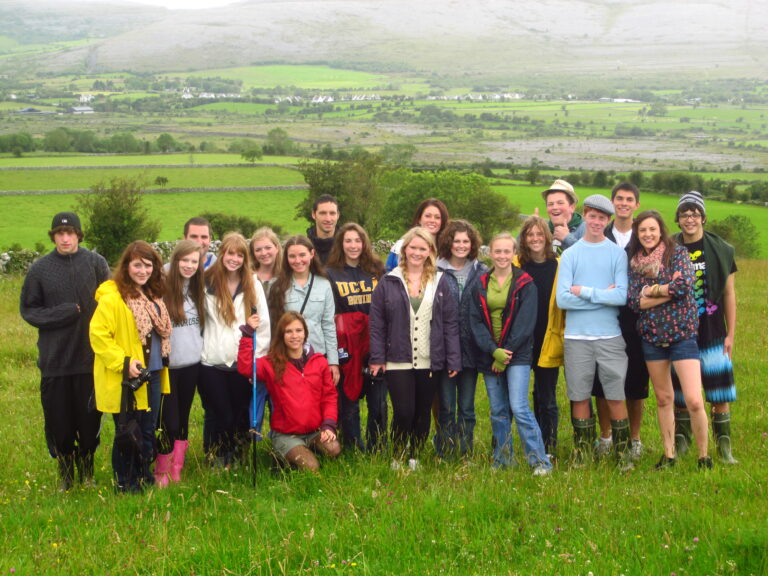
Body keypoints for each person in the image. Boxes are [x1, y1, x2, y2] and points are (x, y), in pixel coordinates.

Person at [20, 211, 110, 491]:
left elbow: (111, 301)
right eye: (60, 233)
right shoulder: (40, 269)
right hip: (55, 361)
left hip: (90, 359)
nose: (65, 238)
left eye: (70, 233)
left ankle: (88, 473)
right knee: (59, 423)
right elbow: (29, 310)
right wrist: (63, 313)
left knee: (89, 421)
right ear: (53, 236)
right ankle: (66, 478)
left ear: (79, 235)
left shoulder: (95, 263)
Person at [369, 227, 461, 469]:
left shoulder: (440, 281)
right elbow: (376, 324)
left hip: (430, 358)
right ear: (404, 249)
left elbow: (450, 323)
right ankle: (397, 455)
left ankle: (415, 456)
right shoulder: (389, 281)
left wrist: (453, 358)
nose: (417, 253)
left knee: (422, 412)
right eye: (413, 247)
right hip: (397, 358)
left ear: (430, 251)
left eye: (423, 248)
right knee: (404, 411)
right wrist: (377, 357)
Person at [626, 210, 712, 469]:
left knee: (694, 399)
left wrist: (652, 290)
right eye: (642, 231)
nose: (648, 234)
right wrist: (667, 291)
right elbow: (633, 301)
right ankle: (669, 454)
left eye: (652, 229)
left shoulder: (677, 254)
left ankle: (703, 456)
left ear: (660, 230)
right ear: (637, 234)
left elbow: (684, 286)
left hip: (682, 335)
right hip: (652, 338)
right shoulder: (634, 262)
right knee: (664, 399)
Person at [556, 194, 633, 470]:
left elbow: (622, 297)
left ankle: (623, 456)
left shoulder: (617, 254)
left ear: (608, 220)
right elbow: (563, 300)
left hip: (610, 338)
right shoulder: (570, 254)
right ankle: (583, 453)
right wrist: (603, 295)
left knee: (614, 394)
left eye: (602, 217)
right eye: (592, 216)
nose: (597, 221)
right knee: (578, 395)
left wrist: (586, 292)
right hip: (577, 338)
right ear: (585, 216)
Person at [90, 241, 172, 493]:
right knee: (127, 432)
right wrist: (123, 363)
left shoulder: (153, 294)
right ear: (126, 266)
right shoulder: (113, 298)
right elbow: (98, 335)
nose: (143, 270)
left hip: (154, 373)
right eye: (137, 265)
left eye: (148, 265)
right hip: (127, 378)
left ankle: (142, 476)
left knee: (147, 430)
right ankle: (125, 484)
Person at [468, 232, 552, 475]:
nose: (502, 255)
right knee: (498, 411)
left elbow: (525, 324)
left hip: (518, 354)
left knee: (519, 406)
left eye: (507, 251)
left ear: (514, 254)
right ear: (490, 253)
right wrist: (493, 351)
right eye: (498, 251)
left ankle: (539, 461)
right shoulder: (482, 283)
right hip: (490, 354)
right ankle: (503, 458)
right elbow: (475, 322)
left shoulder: (525, 283)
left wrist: (506, 356)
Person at [672, 191, 738, 464]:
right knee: (680, 390)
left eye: (695, 214)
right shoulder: (670, 248)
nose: (690, 219)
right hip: (679, 332)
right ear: (677, 219)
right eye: (685, 214)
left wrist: (731, 333)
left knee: (718, 388)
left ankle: (724, 446)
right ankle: (682, 439)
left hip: (713, 329)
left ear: (703, 217)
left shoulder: (721, 249)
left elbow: (729, 294)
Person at [199, 233, 270, 469]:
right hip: (212, 362)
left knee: (240, 413)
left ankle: (238, 456)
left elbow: (264, 325)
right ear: (222, 254)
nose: (234, 259)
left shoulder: (253, 283)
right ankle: (217, 456)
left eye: (240, 255)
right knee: (220, 414)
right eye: (230, 253)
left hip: (242, 362)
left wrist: (255, 361)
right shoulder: (206, 282)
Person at [237, 311, 340, 472]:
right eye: (289, 331)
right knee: (312, 467)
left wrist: (328, 425)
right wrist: (248, 334)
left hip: (314, 431)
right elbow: (246, 368)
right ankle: (281, 455)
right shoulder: (272, 363)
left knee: (334, 449)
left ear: (305, 333)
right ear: (282, 335)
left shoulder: (319, 361)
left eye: (298, 330)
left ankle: (304, 450)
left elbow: (329, 397)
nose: (294, 336)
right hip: (286, 434)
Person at [593, 182, 650, 461]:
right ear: (612, 203)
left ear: (636, 204)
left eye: (629, 199)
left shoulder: (646, 237)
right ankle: (606, 437)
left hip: (638, 321)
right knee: (602, 381)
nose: (624, 203)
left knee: (636, 383)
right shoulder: (600, 234)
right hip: (604, 318)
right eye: (619, 198)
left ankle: (635, 439)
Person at [325, 223, 386, 452]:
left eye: (357, 240)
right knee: (348, 399)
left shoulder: (377, 271)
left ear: (364, 243)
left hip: (375, 343)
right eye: (348, 241)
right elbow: (329, 314)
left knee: (378, 400)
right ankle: (353, 446)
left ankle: (377, 445)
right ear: (341, 244)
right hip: (346, 344)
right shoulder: (330, 273)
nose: (353, 245)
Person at [434, 219, 488, 459]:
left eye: (466, 241)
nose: (461, 245)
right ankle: (445, 451)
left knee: (466, 407)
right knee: (446, 406)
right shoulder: (436, 270)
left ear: (472, 243)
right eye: (456, 241)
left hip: (471, 349)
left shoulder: (482, 271)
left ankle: (465, 452)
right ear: (448, 242)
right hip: (445, 350)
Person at [156, 240, 206, 486]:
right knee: (169, 420)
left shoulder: (199, 288)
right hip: (169, 366)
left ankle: (177, 467)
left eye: (194, 262)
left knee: (184, 418)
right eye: (184, 261)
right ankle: (161, 469)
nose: (189, 266)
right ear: (175, 261)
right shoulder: (162, 287)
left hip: (192, 364)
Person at [514, 216, 564, 456]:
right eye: (530, 234)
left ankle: (548, 445)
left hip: (548, 337)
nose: (535, 239)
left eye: (539, 234)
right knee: (516, 399)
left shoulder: (559, 265)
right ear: (524, 238)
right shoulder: (516, 264)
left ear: (547, 237)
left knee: (546, 396)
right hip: (521, 340)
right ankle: (524, 443)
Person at [269, 235, 340, 386]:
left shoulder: (324, 284)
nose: (298, 260)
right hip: (288, 357)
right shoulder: (276, 286)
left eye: (302, 255)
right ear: (286, 258)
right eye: (292, 256)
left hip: (318, 355)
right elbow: (274, 326)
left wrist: (333, 361)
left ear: (312, 254)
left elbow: (328, 325)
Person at [385, 198, 450, 272]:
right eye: (428, 216)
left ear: (442, 221)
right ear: (419, 219)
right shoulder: (400, 246)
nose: (432, 220)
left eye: (437, 217)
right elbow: (387, 274)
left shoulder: (447, 249)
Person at [537, 179, 584, 254]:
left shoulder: (586, 230)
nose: (555, 207)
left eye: (560, 203)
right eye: (550, 204)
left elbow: (591, 260)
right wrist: (529, 226)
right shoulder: (543, 231)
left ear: (572, 207)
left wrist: (567, 238)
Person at [250, 226, 283, 298]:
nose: (263, 253)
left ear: (276, 248)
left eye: (268, 248)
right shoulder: (247, 277)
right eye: (258, 250)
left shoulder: (286, 276)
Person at [306, 194, 340, 264]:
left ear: (338, 215)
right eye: (323, 213)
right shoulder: (305, 247)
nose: (328, 219)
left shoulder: (347, 247)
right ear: (314, 214)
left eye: (332, 213)